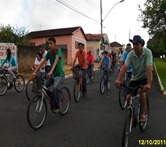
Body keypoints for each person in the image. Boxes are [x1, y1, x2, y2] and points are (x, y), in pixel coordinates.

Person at [115, 35, 153, 122]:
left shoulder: (147, 52)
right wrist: (118, 79)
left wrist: (148, 83)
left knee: (142, 93)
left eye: (137, 44)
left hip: (144, 77)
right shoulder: (131, 54)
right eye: (134, 44)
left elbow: (149, 67)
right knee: (128, 97)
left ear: (141, 44)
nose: (135, 46)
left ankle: (142, 114)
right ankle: (132, 113)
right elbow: (125, 66)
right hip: (135, 78)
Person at [32, 37, 64, 113]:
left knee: (55, 88)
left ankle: (57, 106)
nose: (49, 45)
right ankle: (53, 98)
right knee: (44, 87)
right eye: (48, 44)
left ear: (55, 44)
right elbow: (42, 62)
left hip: (59, 74)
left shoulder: (58, 50)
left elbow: (56, 61)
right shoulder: (49, 53)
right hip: (52, 74)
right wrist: (35, 72)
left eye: (51, 43)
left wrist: (50, 72)